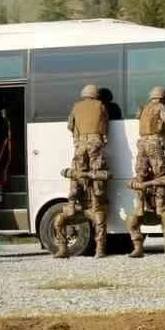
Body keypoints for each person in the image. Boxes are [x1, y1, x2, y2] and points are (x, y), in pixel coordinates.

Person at [54, 83, 110, 258]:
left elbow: (70, 125)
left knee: (77, 175)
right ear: (96, 95)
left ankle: (63, 247)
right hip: (95, 142)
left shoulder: (76, 106)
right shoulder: (100, 105)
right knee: (96, 177)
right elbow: (105, 123)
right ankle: (100, 250)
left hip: (80, 145)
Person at [126, 85, 165, 258]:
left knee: (139, 177)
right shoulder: (160, 107)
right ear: (162, 97)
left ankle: (140, 206)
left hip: (141, 144)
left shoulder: (144, 107)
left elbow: (137, 118)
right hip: (155, 144)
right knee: (160, 176)